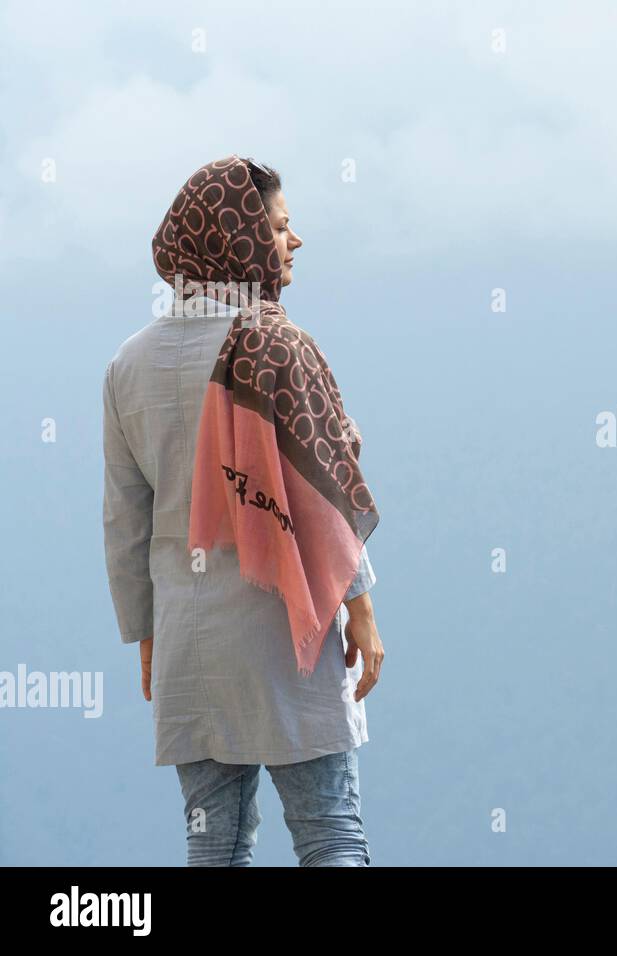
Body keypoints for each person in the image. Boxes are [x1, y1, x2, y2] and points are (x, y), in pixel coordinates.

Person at [102, 156, 384, 866]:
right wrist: (363, 611)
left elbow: (124, 519)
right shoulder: (276, 343)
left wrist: (146, 634)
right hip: (286, 627)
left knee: (217, 849)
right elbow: (322, 490)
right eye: (281, 226)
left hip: (190, 640)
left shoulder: (128, 365)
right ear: (239, 235)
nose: (296, 241)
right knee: (330, 834)